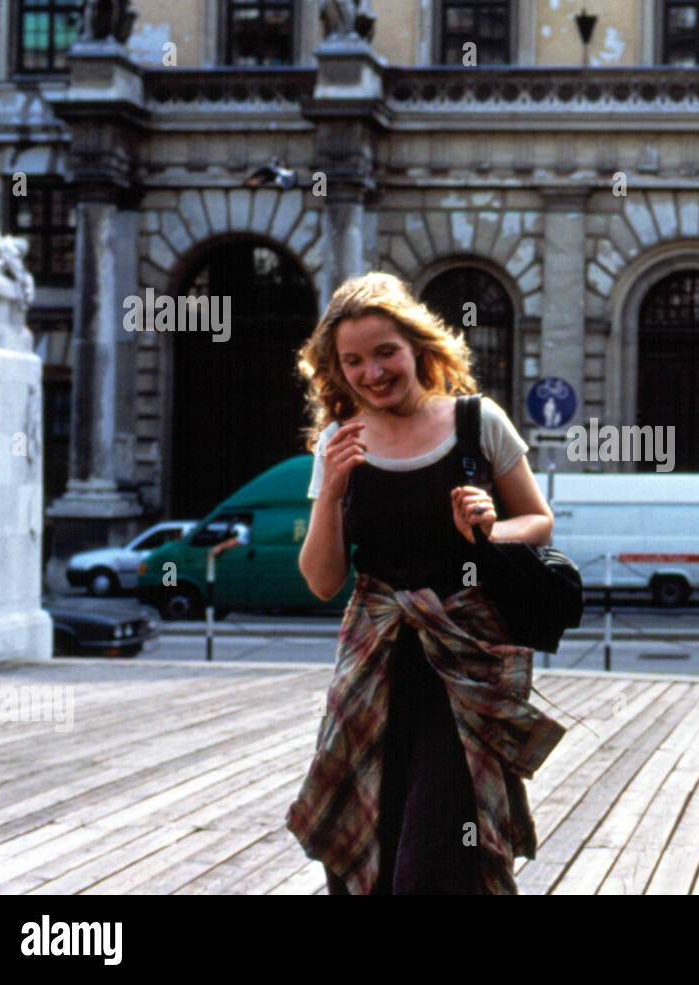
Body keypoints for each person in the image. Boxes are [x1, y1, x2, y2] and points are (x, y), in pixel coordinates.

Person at [285, 271, 563, 895]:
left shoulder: (477, 422)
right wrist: (329, 487)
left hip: (464, 668)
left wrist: (494, 527)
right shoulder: (337, 442)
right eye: (352, 361)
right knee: (368, 856)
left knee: (435, 862)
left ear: (417, 346)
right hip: (373, 672)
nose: (372, 372)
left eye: (385, 352)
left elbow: (539, 522)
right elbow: (323, 580)